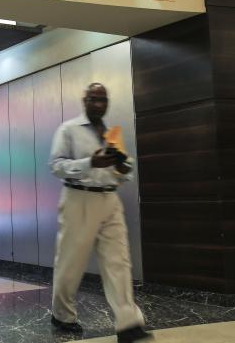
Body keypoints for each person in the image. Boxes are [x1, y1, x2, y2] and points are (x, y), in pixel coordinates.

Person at [48, 83, 152, 343]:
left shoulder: (111, 133)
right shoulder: (68, 129)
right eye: (93, 99)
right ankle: (62, 314)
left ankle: (128, 323)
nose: (98, 104)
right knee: (71, 263)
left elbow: (126, 171)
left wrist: (120, 164)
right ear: (84, 101)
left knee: (119, 261)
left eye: (102, 100)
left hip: (110, 199)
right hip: (78, 198)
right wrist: (89, 163)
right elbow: (56, 166)